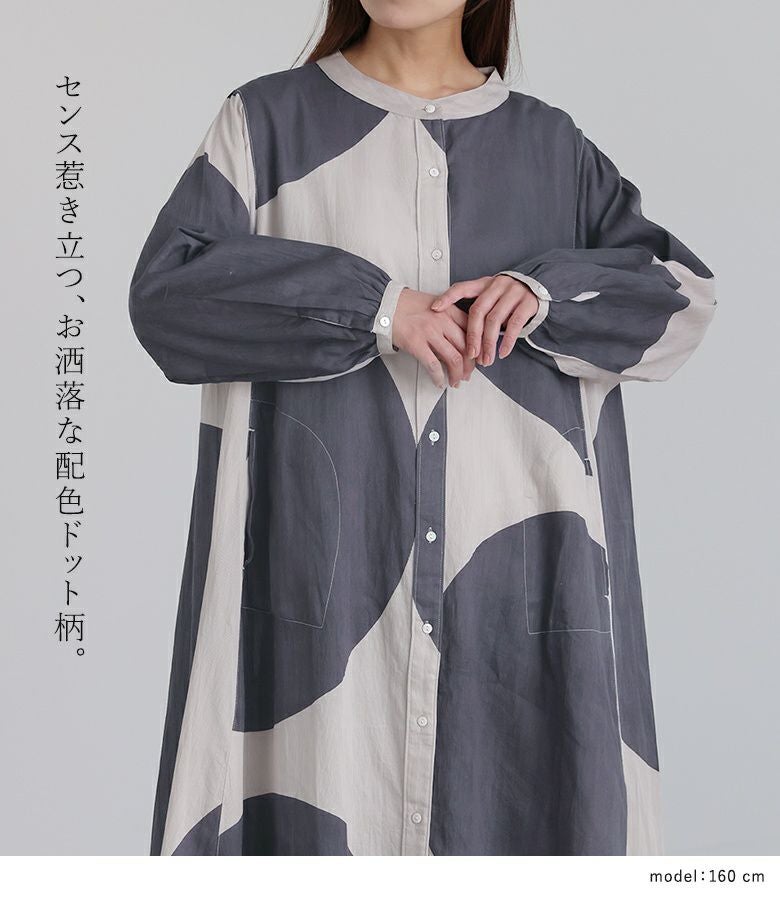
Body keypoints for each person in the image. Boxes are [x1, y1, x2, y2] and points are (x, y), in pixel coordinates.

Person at [128, 0, 717, 856]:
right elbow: (167, 298)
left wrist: (547, 291)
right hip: (319, 603)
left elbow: (681, 303)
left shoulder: (553, 149)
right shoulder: (264, 125)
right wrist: (374, 307)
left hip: (523, 606)